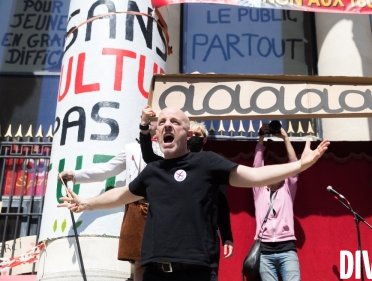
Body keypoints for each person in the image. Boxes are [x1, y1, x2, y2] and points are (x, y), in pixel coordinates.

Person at [58, 107, 329, 281]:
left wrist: (301, 165)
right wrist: (86, 203)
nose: (166, 124)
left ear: (187, 133)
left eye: (174, 121)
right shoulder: (153, 171)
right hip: (155, 272)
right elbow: (121, 195)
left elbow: (253, 175)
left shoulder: (207, 163)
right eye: (162, 120)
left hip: (196, 271)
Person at [57, 107, 162, 281]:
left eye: (154, 118)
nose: (151, 121)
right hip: (136, 206)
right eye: (147, 119)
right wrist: (76, 175)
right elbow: (107, 169)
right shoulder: (131, 149)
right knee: (138, 261)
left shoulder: (171, 149)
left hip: (162, 206)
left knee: (163, 259)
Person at [138, 106, 233, 281]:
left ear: (204, 140)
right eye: (193, 134)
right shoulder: (167, 167)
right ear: (187, 136)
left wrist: (227, 237)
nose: (195, 138)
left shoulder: (212, 166)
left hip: (203, 246)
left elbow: (223, 204)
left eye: (199, 136)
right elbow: (148, 155)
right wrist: (144, 125)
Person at [253, 123, 300, 281]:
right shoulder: (259, 190)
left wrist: (285, 138)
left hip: (287, 249)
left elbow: (294, 165)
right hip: (264, 251)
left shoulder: (286, 189)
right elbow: (256, 167)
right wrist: (261, 138)